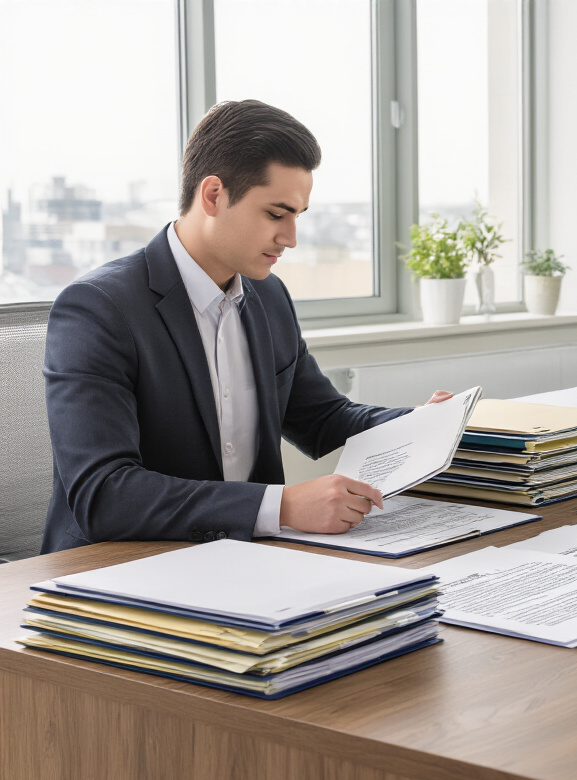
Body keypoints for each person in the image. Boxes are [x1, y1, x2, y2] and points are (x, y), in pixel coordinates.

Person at [43, 100, 450, 553]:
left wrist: (422, 423)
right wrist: (284, 507)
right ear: (213, 195)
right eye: (276, 214)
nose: (290, 238)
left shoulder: (268, 296)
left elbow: (322, 418)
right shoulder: (99, 308)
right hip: (118, 567)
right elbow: (103, 496)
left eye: (298, 216)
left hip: (243, 559)